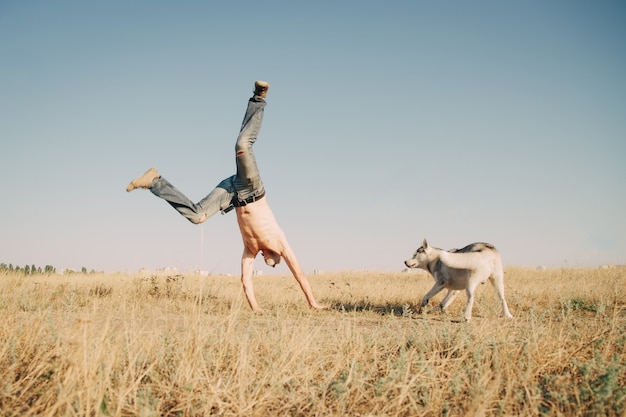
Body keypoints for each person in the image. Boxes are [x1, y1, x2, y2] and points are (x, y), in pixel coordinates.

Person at [126, 81, 324, 312]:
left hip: (231, 195)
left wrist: (256, 309)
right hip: (251, 188)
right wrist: (313, 303)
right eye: (275, 264)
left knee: (197, 217)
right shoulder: (280, 242)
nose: (271, 265)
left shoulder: (251, 250)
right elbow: (299, 273)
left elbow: (246, 281)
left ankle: (154, 181)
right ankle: (259, 99)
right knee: (242, 144)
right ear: (278, 256)